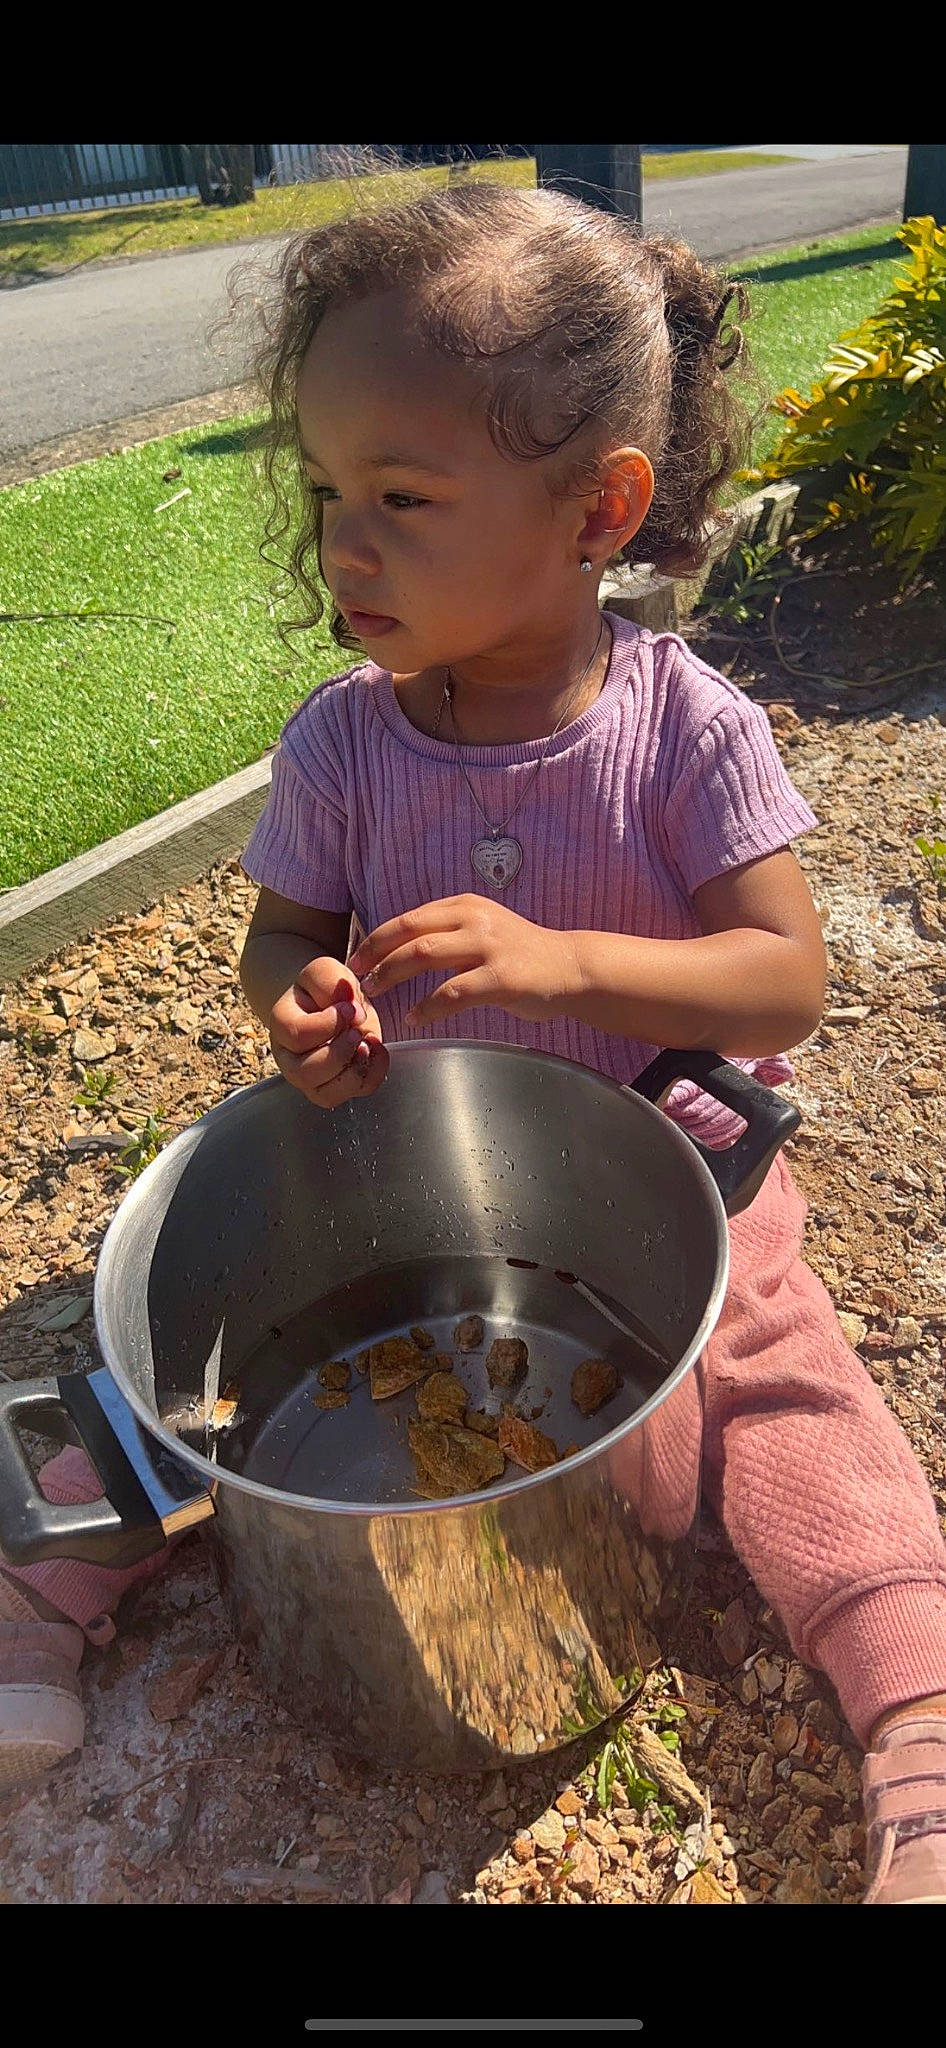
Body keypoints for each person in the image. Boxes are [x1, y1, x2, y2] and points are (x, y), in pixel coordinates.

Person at [4, 184, 945, 1904]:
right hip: (407, 1155)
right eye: (327, 494)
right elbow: (282, 937)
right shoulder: (344, 748)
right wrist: (299, 1005)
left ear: (600, 508)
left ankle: (915, 1708)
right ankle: (34, 1598)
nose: (343, 546)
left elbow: (783, 984)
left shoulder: (681, 727)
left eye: (404, 500)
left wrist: (564, 957)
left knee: (784, 1380)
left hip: (679, 1145)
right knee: (193, 1349)